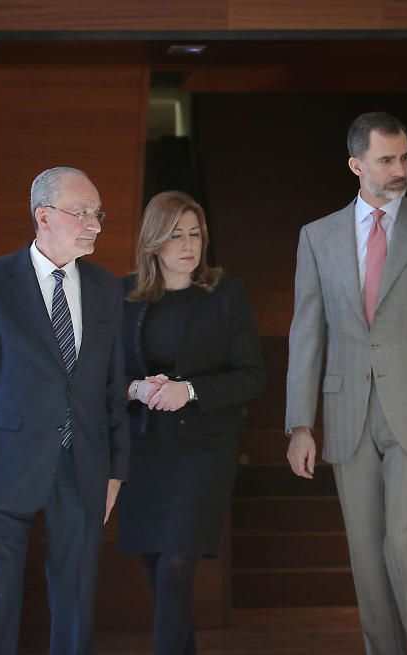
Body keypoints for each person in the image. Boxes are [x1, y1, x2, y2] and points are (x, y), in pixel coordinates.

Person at [285, 111, 407, 654]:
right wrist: (300, 423)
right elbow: (306, 335)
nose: (399, 169)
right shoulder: (316, 237)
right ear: (356, 164)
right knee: (366, 557)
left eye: (405, 157)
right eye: (386, 159)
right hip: (347, 414)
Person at [0, 166, 128, 654]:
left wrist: (116, 471)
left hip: (83, 464)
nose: (95, 225)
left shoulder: (108, 290)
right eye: (82, 213)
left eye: (98, 214)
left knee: (76, 601)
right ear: (43, 216)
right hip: (2, 467)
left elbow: (112, 387)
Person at [118, 191, 265, 655]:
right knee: (157, 570)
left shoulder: (225, 294)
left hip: (203, 449)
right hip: (143, 452)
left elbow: (252, 375)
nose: (188, 245)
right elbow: (105, 375)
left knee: (177, 567)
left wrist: (191, 391)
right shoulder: (124, 298)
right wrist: (137, 388)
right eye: (175, 235)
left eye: (195, 234)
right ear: (153, 243)